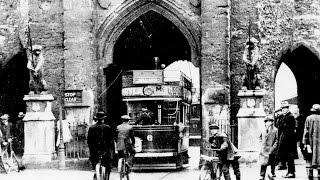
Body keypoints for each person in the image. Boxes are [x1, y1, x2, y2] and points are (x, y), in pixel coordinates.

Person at [87, 111, 113, 180]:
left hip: (95, 150)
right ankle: (107, 177)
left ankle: (96, 172)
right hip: (105, 150)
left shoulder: (92, 128)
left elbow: (89, 141)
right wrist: (111, 148)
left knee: (94, 161)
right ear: (103, 119)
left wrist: (91, 149)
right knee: (108, 166)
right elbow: (110, 140)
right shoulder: (107, 127)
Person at [276, 101, 297, 178]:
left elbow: (289, 129)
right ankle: (289, 172)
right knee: (287, 157)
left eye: (285, 108)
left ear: (288, 108)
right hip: (284, 139)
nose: (283, 110)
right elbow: (279, 126)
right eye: (282, 108)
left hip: (289, 140)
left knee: (290, 157)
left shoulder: (290, 117)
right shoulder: (283, 116)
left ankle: (291, 172)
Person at [302, 104, 320, 179]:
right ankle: (319, 174)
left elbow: (306, 131)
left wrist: (304, 142)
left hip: (311, 142)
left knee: (309, 157)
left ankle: (310, 174)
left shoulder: (308, 118)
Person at [259, 115, 278, 180]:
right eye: (267, 121)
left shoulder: (275, 130)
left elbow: (277, 140)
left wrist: (273, 148)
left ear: (272, 122)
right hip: (264, 149)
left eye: (270, 121)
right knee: (263, 163)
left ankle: (272, 174)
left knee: (272, 162)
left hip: (271, 149)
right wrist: (261, 144)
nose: (268, 123)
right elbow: (260, 137)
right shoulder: (262, 129)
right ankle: (262, 175)